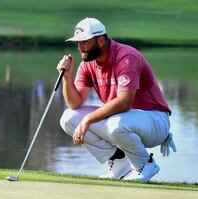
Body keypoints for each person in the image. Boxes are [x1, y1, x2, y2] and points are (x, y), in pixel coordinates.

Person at [57, 17, 176, 182]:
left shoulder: (126, 57)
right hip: (123, 120)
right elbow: (74, 103)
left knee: (115, 124)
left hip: (155, 120)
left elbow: (124, 102)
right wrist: (67, 77)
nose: (80, 47)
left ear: (100, 40)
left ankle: (145, 164)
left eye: (84, 42)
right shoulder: (88, 64)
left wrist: (88, 120)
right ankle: (119, 161)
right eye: (78, 43)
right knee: (68, 118)